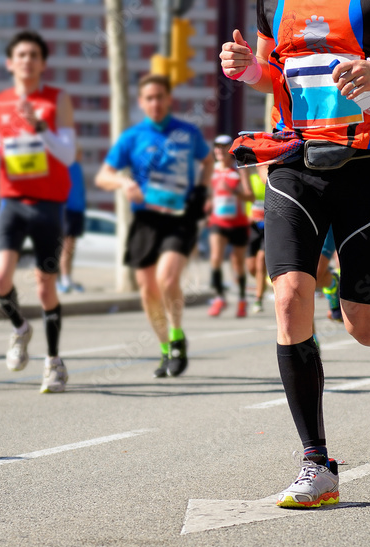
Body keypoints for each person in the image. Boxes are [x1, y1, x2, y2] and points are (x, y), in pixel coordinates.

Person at [221, 0, 370, 508]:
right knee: (290, 298)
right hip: (293, 160)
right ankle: (317, 462)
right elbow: (276, 74)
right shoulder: (272, 3)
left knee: (362, 326)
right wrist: (250, 70)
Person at [96, 74, 213, 378]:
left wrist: (201, 190)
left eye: (160, 96)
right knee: (147, 289)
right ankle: (164, 348)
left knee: (166, 277)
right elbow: (102, 176)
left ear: (169, 99)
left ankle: (176, 337)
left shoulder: (187, 132)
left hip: (179, 217)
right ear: (141, 102)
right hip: (145, 219)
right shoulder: (132, 137)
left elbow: (208, 160)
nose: (155, 103)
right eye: (149, 98)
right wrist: (123, 182)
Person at [0, 31, 76, 394]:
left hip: (49, 205)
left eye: (34, 55)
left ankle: (53, 362)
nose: (27, 60)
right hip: (13, 202)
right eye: (20, 55)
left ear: (42, 63)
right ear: (10, 63)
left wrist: (39, 126)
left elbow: (67, 155)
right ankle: (20, 328)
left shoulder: (56, 100)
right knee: (0, 278)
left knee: (44, 285)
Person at [207, 134, 254, 318]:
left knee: (238, 264)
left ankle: (242, 299)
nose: (219, 150)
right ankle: (219, 298)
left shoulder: (239, 170)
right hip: (218, 222)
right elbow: (210, 194)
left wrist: (234, 192)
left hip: (239, 223)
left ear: (229, 150)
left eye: (223, 147)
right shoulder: (212, 170)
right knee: (215, 259)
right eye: (216, 147)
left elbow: (250, 196)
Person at [58, 149, 87, 294]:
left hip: (78, 210)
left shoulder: (78, 167)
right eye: (78, 151)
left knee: (71, 247)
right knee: (66, 246)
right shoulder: (64, 165)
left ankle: (68, 278)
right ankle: (63, 280)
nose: (81, 154)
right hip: (66, 210)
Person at [245, 164, 269, 314]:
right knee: (251, 267)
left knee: (261, 261)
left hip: (268, 226)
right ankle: (265, 281)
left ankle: (258, 299)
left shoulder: (271, 180)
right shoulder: (250, 179)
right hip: (252, 227)